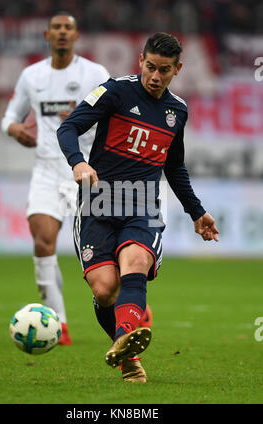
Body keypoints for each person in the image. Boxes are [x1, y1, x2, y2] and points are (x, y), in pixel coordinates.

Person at [57, 31, 219, 381]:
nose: (155, 76)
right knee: (104, 290)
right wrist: (77, 162)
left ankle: (123, 342)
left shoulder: (177, 111)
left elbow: (174, 167)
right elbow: (69, 127)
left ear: (178, 69)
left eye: (164, 70)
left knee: (134, 263)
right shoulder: (114, 91)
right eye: (150, 67)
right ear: (140, 61)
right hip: (97, 206)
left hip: (141, 206)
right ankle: (128, 350)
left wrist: (197, 212)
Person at [1, 12, 111, 345]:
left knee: (100, 252)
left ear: (76, 36)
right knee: (42, 241)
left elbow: (113, 117)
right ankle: (58, 323)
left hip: (86, 170)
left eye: (68, 28)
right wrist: (13, 128)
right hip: (47, 170)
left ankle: (126, 304)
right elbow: (9, 116)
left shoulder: (95, 73)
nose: (62, 33)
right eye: (57, 28)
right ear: (47, 35)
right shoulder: (31, 76)